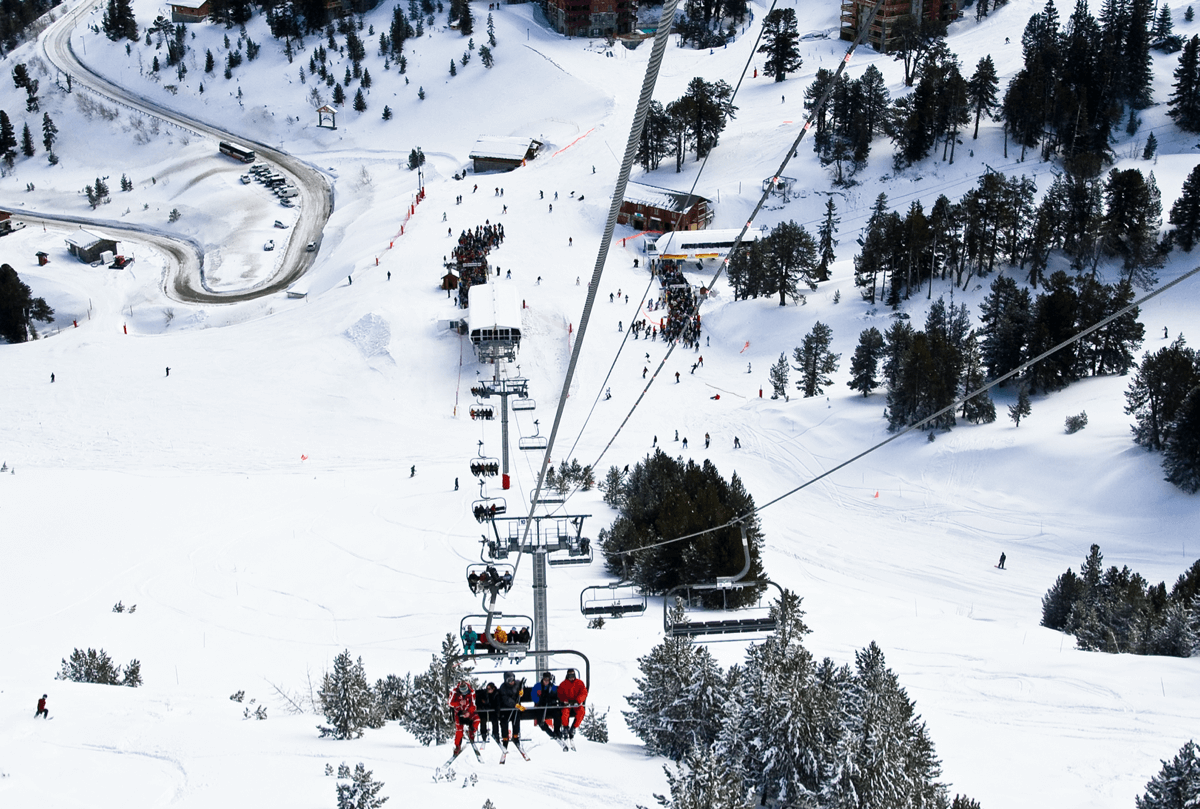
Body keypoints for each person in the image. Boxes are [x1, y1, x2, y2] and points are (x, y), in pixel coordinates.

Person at [449, 680, 480, 755]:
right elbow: (450, 703)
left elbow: (473, 705)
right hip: (459, 712)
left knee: (477, 719)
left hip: (468, 711)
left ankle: (471, 732)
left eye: (466, 692)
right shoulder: (454, 692)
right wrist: (459, 703)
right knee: (459, 729)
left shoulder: (471, 693)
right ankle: (457, 745)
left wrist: (469, 712)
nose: (465, 693)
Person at [557, 669, 588, 740]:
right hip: (567, 703)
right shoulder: (563, 684)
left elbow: (584, 693)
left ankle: (574, 727)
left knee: (581, 712)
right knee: (565, 712)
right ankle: (565, 727)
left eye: (573, 675)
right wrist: (564, 701)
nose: (571, 677)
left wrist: (578, 700)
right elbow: (560, 694)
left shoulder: (579, 683)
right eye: (570, 676)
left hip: (576, 703)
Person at [497, 672, 524, 749]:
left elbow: (522, 686)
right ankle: (505, 738)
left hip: (515, 710)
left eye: (512, 679)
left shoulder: (518, 683)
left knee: (516, 718)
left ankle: (516, 735)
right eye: (509, 680)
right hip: (506, 709)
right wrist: (515, 704)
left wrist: (522, 691)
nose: (511, 682)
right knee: (504, 721)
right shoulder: (503, 687)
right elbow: (505, 699)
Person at [531, 671, 561, 738]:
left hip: (550, 706)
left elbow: (556, 696)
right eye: (545, 680)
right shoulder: (537, 686)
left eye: (548, 680)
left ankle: (557, 731)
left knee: (557, 714)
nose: (546, 682)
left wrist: (551, 700)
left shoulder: (552, 687)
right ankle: (549, 731)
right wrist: (540, 700)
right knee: (540, 719)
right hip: (541, 707)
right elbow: (533, 696)